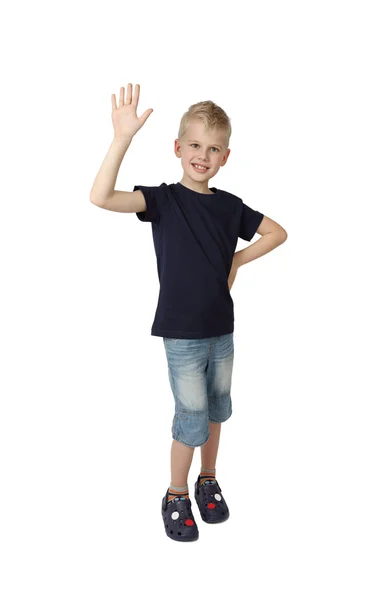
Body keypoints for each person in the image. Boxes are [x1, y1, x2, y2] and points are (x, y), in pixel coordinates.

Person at [90, 82, 288, 542]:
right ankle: (176, 492)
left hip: (222, 331)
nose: (204, 154)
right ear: (178, 148)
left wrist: (235, 260)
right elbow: (101, 197)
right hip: (182, 333)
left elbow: (277, 233)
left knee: (217, 411)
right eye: (196, 145)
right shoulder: (163, 200)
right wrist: (122, 138)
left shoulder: (230, 207)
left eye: (214, 148)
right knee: (191, 415)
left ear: (226, 157)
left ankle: (208, 478)